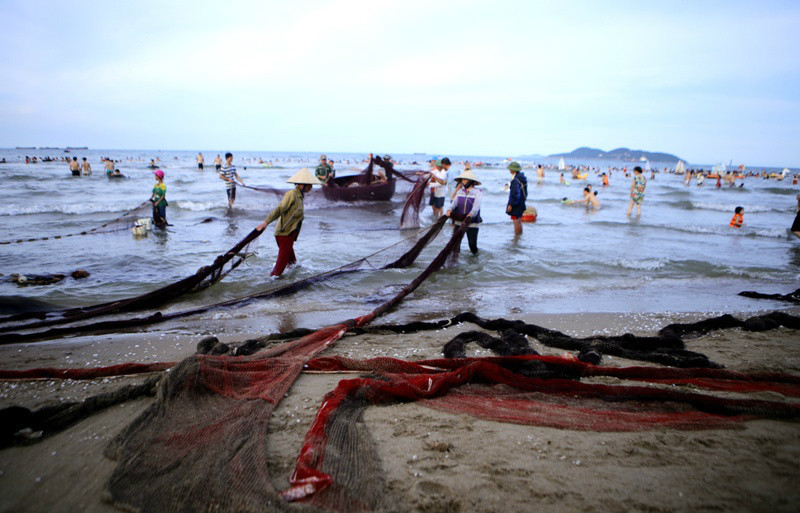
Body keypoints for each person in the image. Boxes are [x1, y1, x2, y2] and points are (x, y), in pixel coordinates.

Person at [256, 168, 322, 277]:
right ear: (302, 185)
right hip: (284, 235)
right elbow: (280, 209)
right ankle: (269, 286)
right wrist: (266, 222)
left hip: (289, 235)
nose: (311, 187)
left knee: (293, 264)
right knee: (278, 270)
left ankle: (290, 280)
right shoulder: (291, 195)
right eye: (310, 185)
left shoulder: (300, 197)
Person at [445, 169, 483, 255]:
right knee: (455, 244)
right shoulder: (460, 192)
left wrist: (471, 214)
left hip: (472, 223)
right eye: (462, 180)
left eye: (465, 180)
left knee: (472, 245)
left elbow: (476, 207)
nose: (463, 182)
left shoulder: (478, 192)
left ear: (471, 181)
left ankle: (475, 259)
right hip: (459, 222)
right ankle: (455, 260)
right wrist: (449, 210)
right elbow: (454, 203)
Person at [506, 161, 527, 236]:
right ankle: (519, 237)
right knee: (519, 221)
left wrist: (511, 204)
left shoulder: (515, 180)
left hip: (516, 205)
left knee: (515, 222)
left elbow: (515, 194)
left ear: (513, 170)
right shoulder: (522, 178)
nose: (509, 170)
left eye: (510, 169)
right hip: (521, 203)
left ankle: (516, 238)